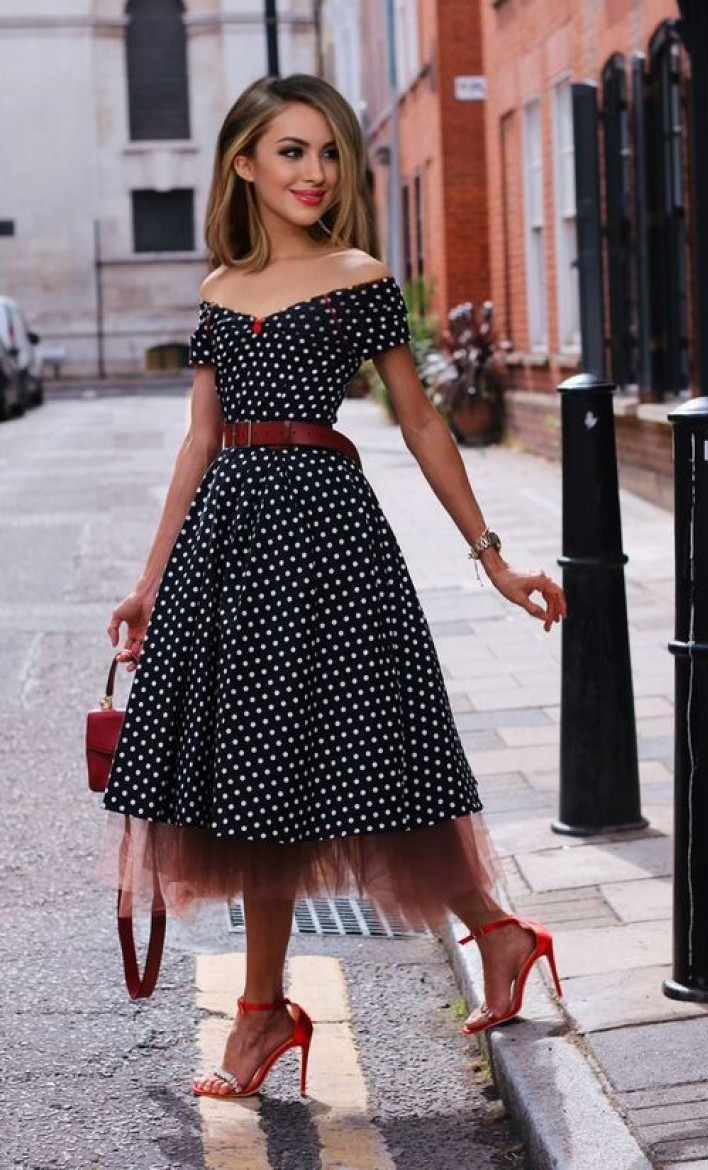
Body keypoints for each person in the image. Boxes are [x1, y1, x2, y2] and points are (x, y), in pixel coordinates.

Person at [99, 73, 567, 1101]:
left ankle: (490, 935)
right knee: (260, 778)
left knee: (379, 762)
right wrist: (148, 581)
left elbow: (420, 418)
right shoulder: (220, 288)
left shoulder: (357, 274)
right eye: (292, 151)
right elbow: (200, 438)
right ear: (243, 165)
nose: (315, 171)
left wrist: (491, 556)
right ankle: (271, 1010)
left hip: (328, 543)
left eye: (327, 153)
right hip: (230, 549)